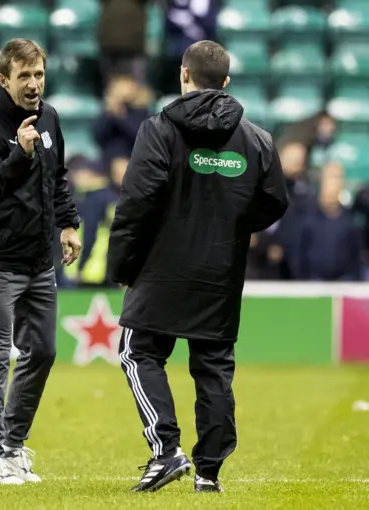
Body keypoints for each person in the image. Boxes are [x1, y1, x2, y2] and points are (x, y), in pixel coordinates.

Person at [107, 41, 288, 493]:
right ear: (225, 83)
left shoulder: (158, 129)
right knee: (213, 368)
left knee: (138, 352)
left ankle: (166, 450)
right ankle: (209, 473)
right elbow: (275, 202)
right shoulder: (258, 139)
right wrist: (231, 224)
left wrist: (121, 264)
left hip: (161, 269)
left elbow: (136, 203)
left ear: (183, 74)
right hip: (221, 273)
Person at [0, 39, 81, 484]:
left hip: (38, 259)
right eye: (24, 77)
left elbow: (58, 177)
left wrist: (68, 224)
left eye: (39, 75)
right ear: (3, 80)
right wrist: (20, 154)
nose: (33, 85)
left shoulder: (50, 116)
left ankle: (11, 448)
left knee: (44, 351)